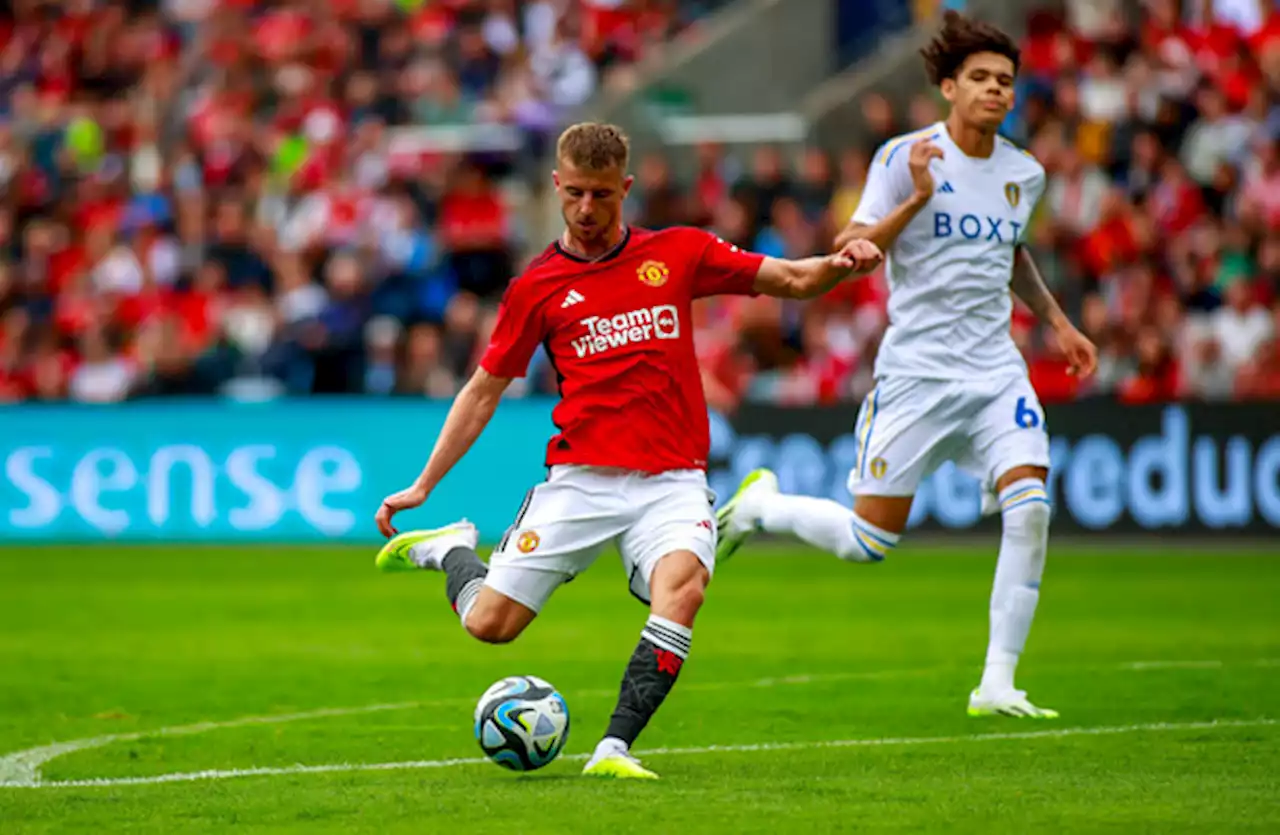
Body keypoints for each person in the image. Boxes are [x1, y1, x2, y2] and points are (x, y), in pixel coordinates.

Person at [373, 122, 883, 779]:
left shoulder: (678, 253)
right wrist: (423, 484)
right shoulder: (537, 287)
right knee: (491, 624)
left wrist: (837, 268)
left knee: (683, 589)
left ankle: (613, 747)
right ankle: (451, 548)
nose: (588, 210)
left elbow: (787, 277)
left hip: (671, 479)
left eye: (603, 195)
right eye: (576, 193)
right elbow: (482, 391)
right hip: (580, 481)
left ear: (627, 189)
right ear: (556, 185)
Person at [716, 11, 1098, 719]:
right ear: (949, 86)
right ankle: (761, 506)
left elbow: (1010, 254)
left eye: (1005, 82)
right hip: (917, 375)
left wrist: (1058, 322)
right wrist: (919, 198)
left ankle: (997, 682)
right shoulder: (904, 158)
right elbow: (853, 242)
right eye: (980, 78)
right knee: (868, 542)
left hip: (993, 372)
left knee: (1032, 507)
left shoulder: (1025, 173)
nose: (995, 90)